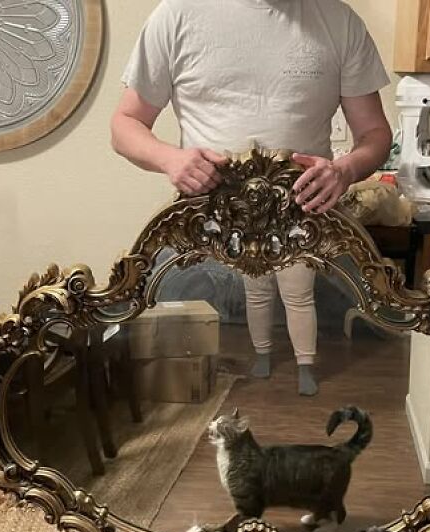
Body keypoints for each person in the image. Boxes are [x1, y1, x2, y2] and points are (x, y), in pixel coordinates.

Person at [111, 0, 392, 396]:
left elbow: (375, 133)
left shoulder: (338, 20)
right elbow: (125, 124)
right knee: (187, 394)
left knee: (337, 377)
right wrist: (170, 159)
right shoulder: (176, 15)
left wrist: (345, 170)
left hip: (307, 229)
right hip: (201, 237)